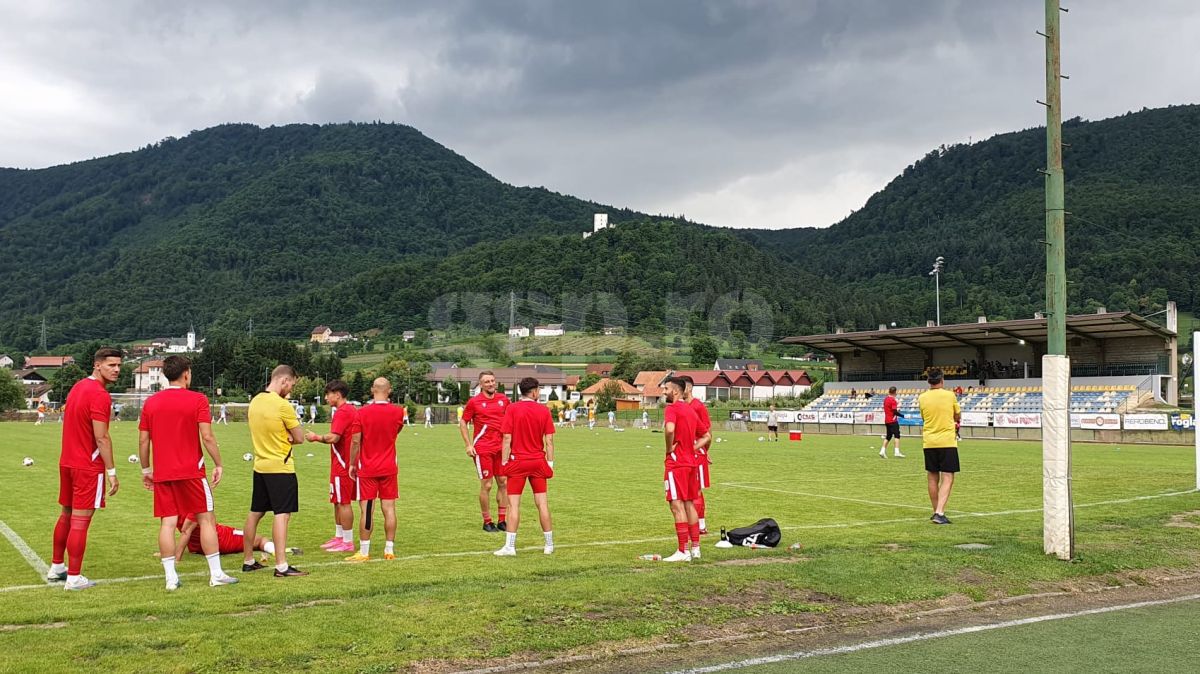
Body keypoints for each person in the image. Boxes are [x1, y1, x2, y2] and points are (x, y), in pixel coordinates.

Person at [137, 355, 237, 590]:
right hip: (192, 471)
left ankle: (171, 578)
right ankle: (216, 574)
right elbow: (208, 436)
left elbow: (143, 440)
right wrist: (219, 463)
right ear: (186, 374)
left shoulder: (151, 403)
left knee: (168, 523)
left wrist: (146, 469)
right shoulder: (198, 399)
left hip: (163, 472)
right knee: (206, 520)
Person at [46, 347, 122, 590]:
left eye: (119, 365)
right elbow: (102, 437)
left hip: (67, 461)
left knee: (66, 514)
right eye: (111, 365)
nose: (117, 370)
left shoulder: (78, 386)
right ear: (97, 365)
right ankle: (75, 577)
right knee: (80, 520)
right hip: (87, 466)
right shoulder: (100, 394)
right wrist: (111, 471)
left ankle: (57, 566)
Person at [242, 365, 308, 577]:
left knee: (255, 513)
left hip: (260, 465)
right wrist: (289, 437)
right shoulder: (282, 405)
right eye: (291, 385)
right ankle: (281, 565)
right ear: (284, 381)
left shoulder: (255, 401)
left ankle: (248, 560)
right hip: (280, 466)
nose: (291, 389)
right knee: (282, 514)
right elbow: (299, 437)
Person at [493, 377, 556, 557]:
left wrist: (504, 461)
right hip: (537, 461)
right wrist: (550, 463)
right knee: (542, 503)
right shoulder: (543, 410)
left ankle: (510, 547)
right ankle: (549, 544)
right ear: (534, 391)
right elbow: (549, 440)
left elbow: (506, 438)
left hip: (518, 462)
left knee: (514, 505)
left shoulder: (512, 409)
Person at [345, 377, 405, 562]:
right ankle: (389, 549)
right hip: (389, 467)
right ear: (390, 390)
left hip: (368, 468)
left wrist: (352, 463)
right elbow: (396, 432)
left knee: (367, 510)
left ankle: (364, 551)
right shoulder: (398, 412)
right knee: (389, 508)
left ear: (372, 390)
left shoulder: (361, 413)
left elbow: (355, 440)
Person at [305, 380, 359, 553]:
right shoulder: (349, 410)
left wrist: (315, 437)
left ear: (337, 394)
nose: (326, 397)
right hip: (340, 462)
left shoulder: (343, 412)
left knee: (343, 502)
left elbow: (334, 437)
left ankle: (348, 541)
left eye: (328, 394)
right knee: (337, 501)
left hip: (342, 464)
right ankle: (339, 536)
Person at [460, 371, 509, 532]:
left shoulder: (503, 399)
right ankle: (487, 521)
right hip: (483, 448)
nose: (490, 384)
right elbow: (463, 422)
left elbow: (510, 421)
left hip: (501, 448)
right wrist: (468, 445)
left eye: (492, 381)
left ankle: (502, 520)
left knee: (503, 482)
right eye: (487, 382)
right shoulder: (474, 402)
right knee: (487, 485)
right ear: (480, 384)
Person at [659, 376, 701, 562]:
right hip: (691, 463)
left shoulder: (672, 408)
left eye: (666, 389)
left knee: (676, 505)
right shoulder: (690, 411)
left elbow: (669, 429)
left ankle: (682, 551)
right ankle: (696, 548)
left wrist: (669, 448)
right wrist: (692, 449)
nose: (663, 392)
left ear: (675, 391)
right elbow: (706, 435)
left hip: (676, 464)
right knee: (689, 504)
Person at [918, 368, 961, 525]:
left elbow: (923, 416)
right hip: (947, 441)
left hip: (929, 441)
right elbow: (957, 415)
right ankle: (940, 512)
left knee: (932, 476)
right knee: (948, 476)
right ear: (942, 380)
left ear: (928, 381)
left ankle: (936, 510)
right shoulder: (949, 395)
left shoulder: (922, 398)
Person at [174, 512, 291, 560]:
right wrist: (177, 558)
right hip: (220, 540)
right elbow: (186, 531)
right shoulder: (194, 501)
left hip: (197, 547)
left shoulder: (175, 505)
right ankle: (276, 551)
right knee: (259, 539)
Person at [681, 376, 713, 538]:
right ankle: (691, 522)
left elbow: (707, 433)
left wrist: (704, 452)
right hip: (683, 454)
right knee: (686, 490)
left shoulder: (698, 406)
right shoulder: (680, 406)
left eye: (683, 387)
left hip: (696, 453)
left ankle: (701, 525)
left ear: (690, 388)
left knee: (697, 490)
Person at [879, 386, 906, 459]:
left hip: (887, 420)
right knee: (897, 435)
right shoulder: (893, 400)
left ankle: (882, 451)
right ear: (895, 392)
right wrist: (903, 415)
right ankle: (897, 452)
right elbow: (894, 411)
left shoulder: (886, 399)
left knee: (888, 436)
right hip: (892, 420)